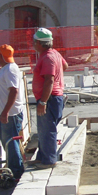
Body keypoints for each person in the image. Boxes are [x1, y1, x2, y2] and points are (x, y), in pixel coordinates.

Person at [0, 45, 25, 179]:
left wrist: (5, 112)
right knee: (7, 141)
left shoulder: (10, 70)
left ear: (0, 56)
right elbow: (4, 86)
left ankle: (16, 171)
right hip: (8, 112)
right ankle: (14, 168)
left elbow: (14, 91)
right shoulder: (7, 69)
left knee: (10, 141)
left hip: (11, 114)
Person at [32, 28, 68, 168]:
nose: (34, 44)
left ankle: (49, 161)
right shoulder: (54, 54)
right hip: (53, 97)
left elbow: (49, 81)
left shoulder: (48, 58)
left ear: (39, 43)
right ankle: (42, 157)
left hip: (50, 98)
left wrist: (43, 101)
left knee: (47, 130)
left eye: (35, 42)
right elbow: (65, 66)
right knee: (43, 129)